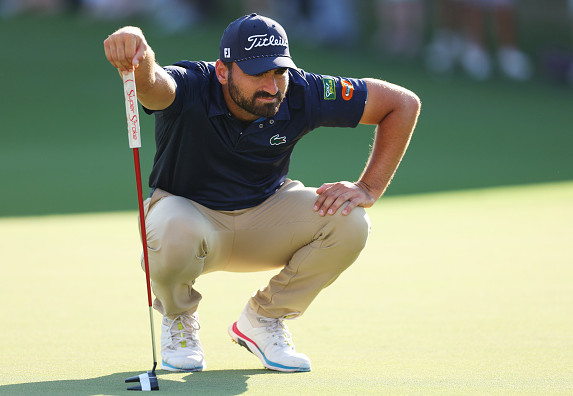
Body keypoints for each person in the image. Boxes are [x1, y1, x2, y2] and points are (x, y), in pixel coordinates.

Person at [103, 13, 420, 373]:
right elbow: (153, 86)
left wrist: (368, 187)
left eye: (279, 71)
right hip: (191, 220)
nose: (272, 86)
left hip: (265, 219)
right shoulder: (191, 83)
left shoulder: (303, 91)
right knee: (171, 226)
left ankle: (262, 320)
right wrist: (139, 54)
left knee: (351, 222)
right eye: (257, 73)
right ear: (223, 71)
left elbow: (402, 104)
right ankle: (178, 321)